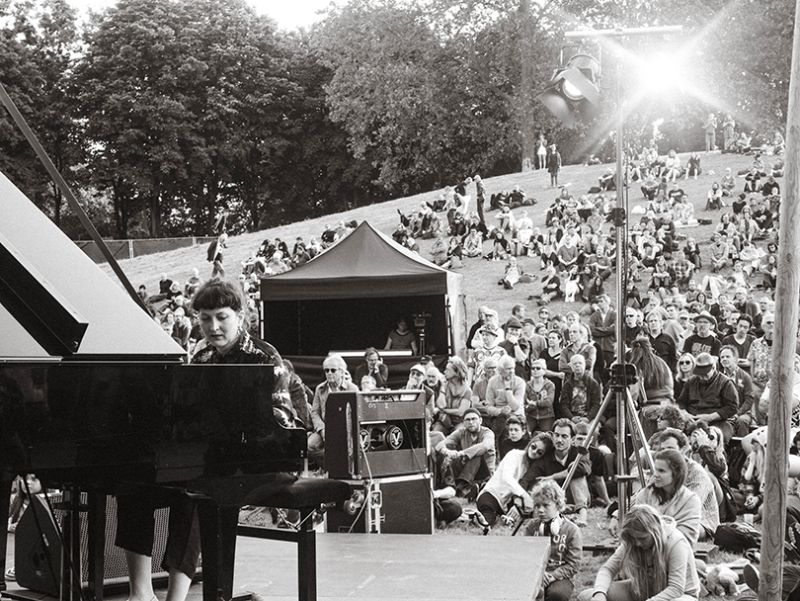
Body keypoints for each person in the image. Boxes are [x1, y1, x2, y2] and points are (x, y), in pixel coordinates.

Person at [116, 279, 290, 601]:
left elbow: (281, 419)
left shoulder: (264, 357)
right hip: (211, 459)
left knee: (197, 488)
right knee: (136, 482)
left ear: (240, 314)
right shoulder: (202, 357)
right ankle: (139, 592)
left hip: (261, 461)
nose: (213, 326)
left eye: (221, 317)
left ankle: (175, 597)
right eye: (205, 318)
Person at [579, 504, 700, 601]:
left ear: (654, 531)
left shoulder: (676, 542)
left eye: (642, 538)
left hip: (681, 595)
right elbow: (607, 569)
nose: (637, 543)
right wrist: (599, 593)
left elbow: (676, 588)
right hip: (643, 589)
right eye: (634, 539)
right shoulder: (632, 540)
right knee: (586, 596)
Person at [524, 479, 583, 601]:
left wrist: (553, 575)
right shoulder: (531, 527)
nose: (540, 510)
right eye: (537, 506)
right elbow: (525, 558)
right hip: (534, 575)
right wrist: (539, 575)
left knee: (557, 595)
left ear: (558, 504)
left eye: (546, 505)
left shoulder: (572, 530)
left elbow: (574, 564)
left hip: (561, 578)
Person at [476, 432, 550, 526]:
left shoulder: (535, 469)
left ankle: (507, 519)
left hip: (508, 503)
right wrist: (524, 496)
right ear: (530, 443)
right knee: (488, 516)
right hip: (491, 494)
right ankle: (475, 519)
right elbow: (507, 478)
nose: (534, 451)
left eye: (539, 452)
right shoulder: (515, 454)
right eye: (533, 446)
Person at [434, 407, 496, 500]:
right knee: (449, 455)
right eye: (468, 420)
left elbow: (485, 446)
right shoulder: (461, 432)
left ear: (480, 420)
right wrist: (448, 452)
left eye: (474, 419)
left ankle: (462, 487)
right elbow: (440, 445)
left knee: (476, 455)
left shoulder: (487, 433)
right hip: (467, 471)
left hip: (484, 471)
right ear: (463, 423)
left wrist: (461, 453)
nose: (471, 422)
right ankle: (465, 487)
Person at [308, 354, 359, 467]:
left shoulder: (352, 389)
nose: (329, 373)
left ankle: (337, 465)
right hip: (325, 427)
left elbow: (356, 413)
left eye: (333, 370)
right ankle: (329, 466)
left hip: (346, 428)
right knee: (310, 446)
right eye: (326, 370)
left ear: (342, 372)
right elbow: (315, 412)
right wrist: (322, 429)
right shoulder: (320, 389)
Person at [676, 352, 738, 442]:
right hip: (692, 419)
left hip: (718, 421)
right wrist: (685, 414)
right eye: (700, 374)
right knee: (677, 437)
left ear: (713, 368)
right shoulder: (691, 382)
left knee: (714, 438)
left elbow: (732, 407)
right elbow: (681, 402)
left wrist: (710, 417)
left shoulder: (725, 383)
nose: (702, 377)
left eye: (705, 374)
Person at [433, 356, 473, 435]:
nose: (444, 372)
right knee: (435, 434)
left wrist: (444, 411)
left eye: (447, 370)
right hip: (444, 421)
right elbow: (441, 405)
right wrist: (443, 387)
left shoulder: (467, 390)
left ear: (456, 372)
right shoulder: (445, 386)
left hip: (460, 422)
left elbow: (461, 412)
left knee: (457, 435)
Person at [524, 358, 556, 434]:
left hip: (546, 416)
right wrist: (529, 407)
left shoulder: (549, 385)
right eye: (533, 368)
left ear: (544, 371)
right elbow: (524, 402)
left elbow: (548, 402)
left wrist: (535, 403)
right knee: (526, 434)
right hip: (531, 416)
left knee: (546, 437)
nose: (535, 370)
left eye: (538, 368)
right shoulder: (527, 385)